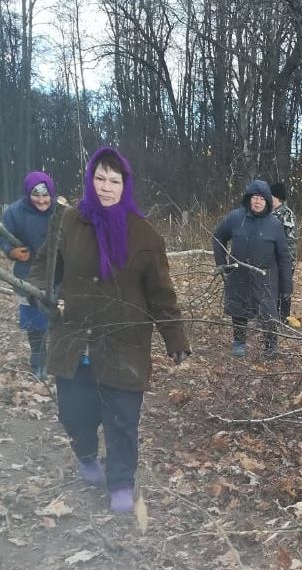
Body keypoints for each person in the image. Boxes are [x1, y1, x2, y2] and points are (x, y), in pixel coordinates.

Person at [29, 147, 190, 513]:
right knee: (75, 413)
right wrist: (43, 293)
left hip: (124, 343)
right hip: (75, 338)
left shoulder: (145, 235)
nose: (105, 187)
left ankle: (120, 481)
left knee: (121, 417)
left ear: (125, 185)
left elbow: (161, 293)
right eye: (99, 178)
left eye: (114, 180)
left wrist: (174, 336)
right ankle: (86, 455)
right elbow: (44, 266)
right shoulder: (68, 222)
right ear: (90, 179)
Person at [213, 179, 293, 358]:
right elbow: (218, 236)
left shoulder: (274, 224)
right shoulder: (235, 218)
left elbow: (284, 258)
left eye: (262, 199)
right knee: (239, 307)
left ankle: (271, 347)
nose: (258, 202)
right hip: (239, 272)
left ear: (267, 202)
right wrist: (221, 262)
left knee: (269, 313)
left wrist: (286, 287)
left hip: (266, 276)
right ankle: (239, 341)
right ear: (249, 199)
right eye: (255, 198)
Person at [1, 172, 57, 378]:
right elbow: (4, 237)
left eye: (45, 195)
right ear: (27, 194)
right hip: (28, 274)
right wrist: (11, 251)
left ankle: (60, 360)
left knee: (58, 318)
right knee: (35, 324)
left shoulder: (60, 212)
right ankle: (38, 361)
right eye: (36, 195)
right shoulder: (14, 213)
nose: (41, 200)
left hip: (57, 274)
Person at [269, 181, 298, 324]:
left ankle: (284, 318)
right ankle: (271, 317)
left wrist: (287, 261)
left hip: (285, 260)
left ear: (277, 197)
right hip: (270, 260)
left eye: (270, 196)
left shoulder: (287, 214)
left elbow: (290, 241)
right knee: (271, 288)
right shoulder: (269, 213)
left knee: (284, 289)